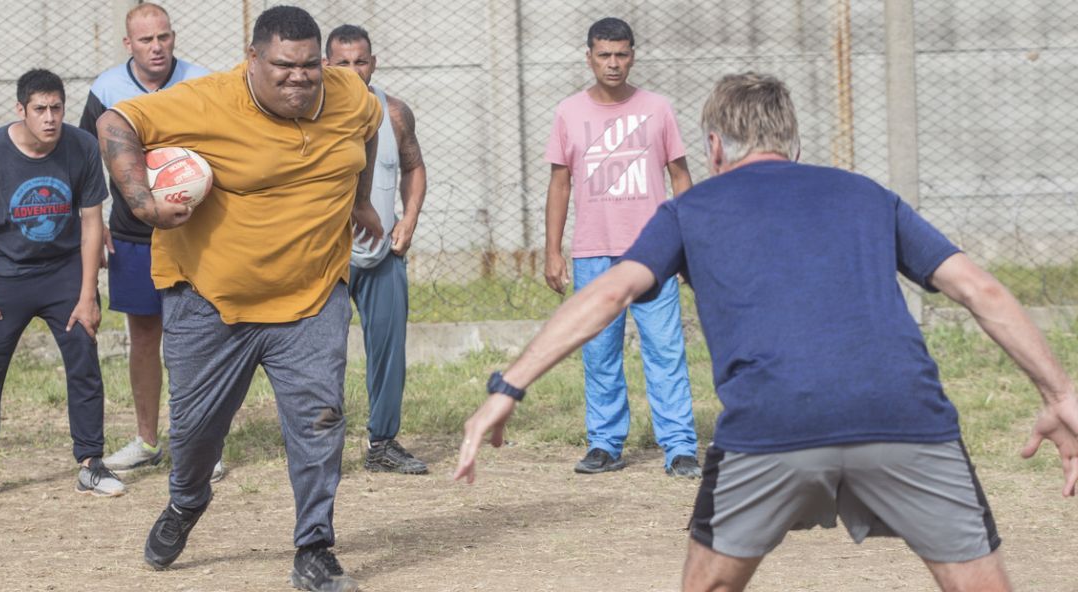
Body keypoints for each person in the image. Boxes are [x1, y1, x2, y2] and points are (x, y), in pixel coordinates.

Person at [455, 72, 1078, 591]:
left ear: (714, 147)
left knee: (709, 584)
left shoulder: (687, 210)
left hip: (773, 422)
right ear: (795, 144)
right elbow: (982, 290)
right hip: (904, 414)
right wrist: (1059, 394)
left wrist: (506, 387)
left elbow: (610, 291)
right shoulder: (867, 194)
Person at [95, 6, 382, 591]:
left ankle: (314, 548)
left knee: (320, 421)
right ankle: (185, 502)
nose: (298, 78)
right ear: (252, 58)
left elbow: (371, 131)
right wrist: (142, 203)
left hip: (313, 296)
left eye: (309, 66)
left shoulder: (348, 93)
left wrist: (359, 197)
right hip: (210, 300)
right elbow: (113, 124)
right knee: (197, 432)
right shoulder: (206, 100)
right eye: (282, 66)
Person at [0, 69, 125, 501]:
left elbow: (92, 220)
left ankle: (91, 463)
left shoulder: (81, 147)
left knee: (83, 355)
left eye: (56, 108)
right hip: (5, 274)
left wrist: (86, 295)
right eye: (40, 109)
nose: (50, 118)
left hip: (63, 273)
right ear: (21, 110)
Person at [543, 17, 699, 477]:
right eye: (604, 55)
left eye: (622, 54)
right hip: (594, 252)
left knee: (665, 350)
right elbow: (559, 184)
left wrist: (688, 243)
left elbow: (681, 177)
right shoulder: (568, 112)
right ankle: (605, 443)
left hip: (654, 251)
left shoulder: (658, 109)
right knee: (599, 351)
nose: (614, 63)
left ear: (634, 55)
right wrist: (553, 251)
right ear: (589, 56)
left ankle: (680, 447)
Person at [77, 2, 221, 480]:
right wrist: (92, 234)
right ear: (128, 44)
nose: (156, 47)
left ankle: (202, 445)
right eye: (145, 40)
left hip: (198, 234)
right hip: (133, 236)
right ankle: (146, 440)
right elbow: (85, 168)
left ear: (173, 37)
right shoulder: (106, 89)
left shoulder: (202, 81)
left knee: (200, 339)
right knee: (144, 337)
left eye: (163, 37)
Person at [324, 24, 429, 475]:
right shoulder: (308, 112)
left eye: (360, 61)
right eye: (342, 62)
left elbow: (415, 168)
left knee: (389, 351)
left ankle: (382, 443)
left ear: (374, 63)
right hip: (328, 257)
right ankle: (320, 447)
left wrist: (408, 219)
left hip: (383, 253)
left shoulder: (395, 112)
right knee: (321, 353)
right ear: (326, 65)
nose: (352, 70)